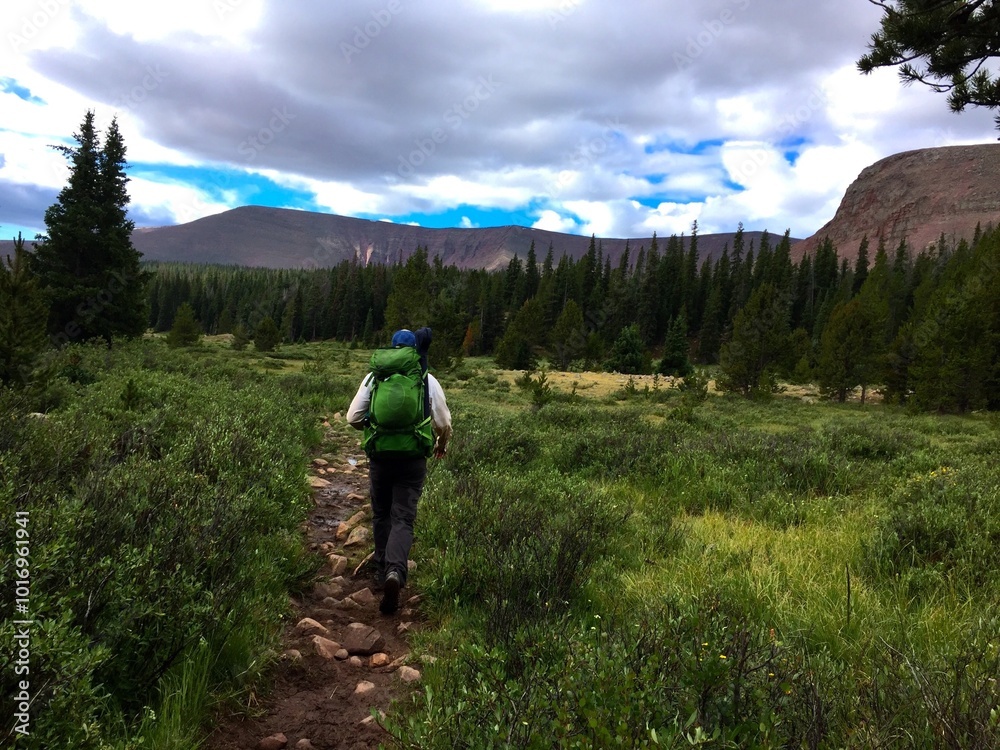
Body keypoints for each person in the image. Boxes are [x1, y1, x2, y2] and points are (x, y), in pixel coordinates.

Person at [347, 327, 452, 614]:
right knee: (403, 517)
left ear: (392, 349)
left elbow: (352, 416)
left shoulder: (374, 376)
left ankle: (382, 570)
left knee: (381, 513)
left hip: (381, 456)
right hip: (413, 458)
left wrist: (372, 426)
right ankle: (396, 571)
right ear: (414, 350)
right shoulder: (426, 378)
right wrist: (441, 444)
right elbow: (443, 422)